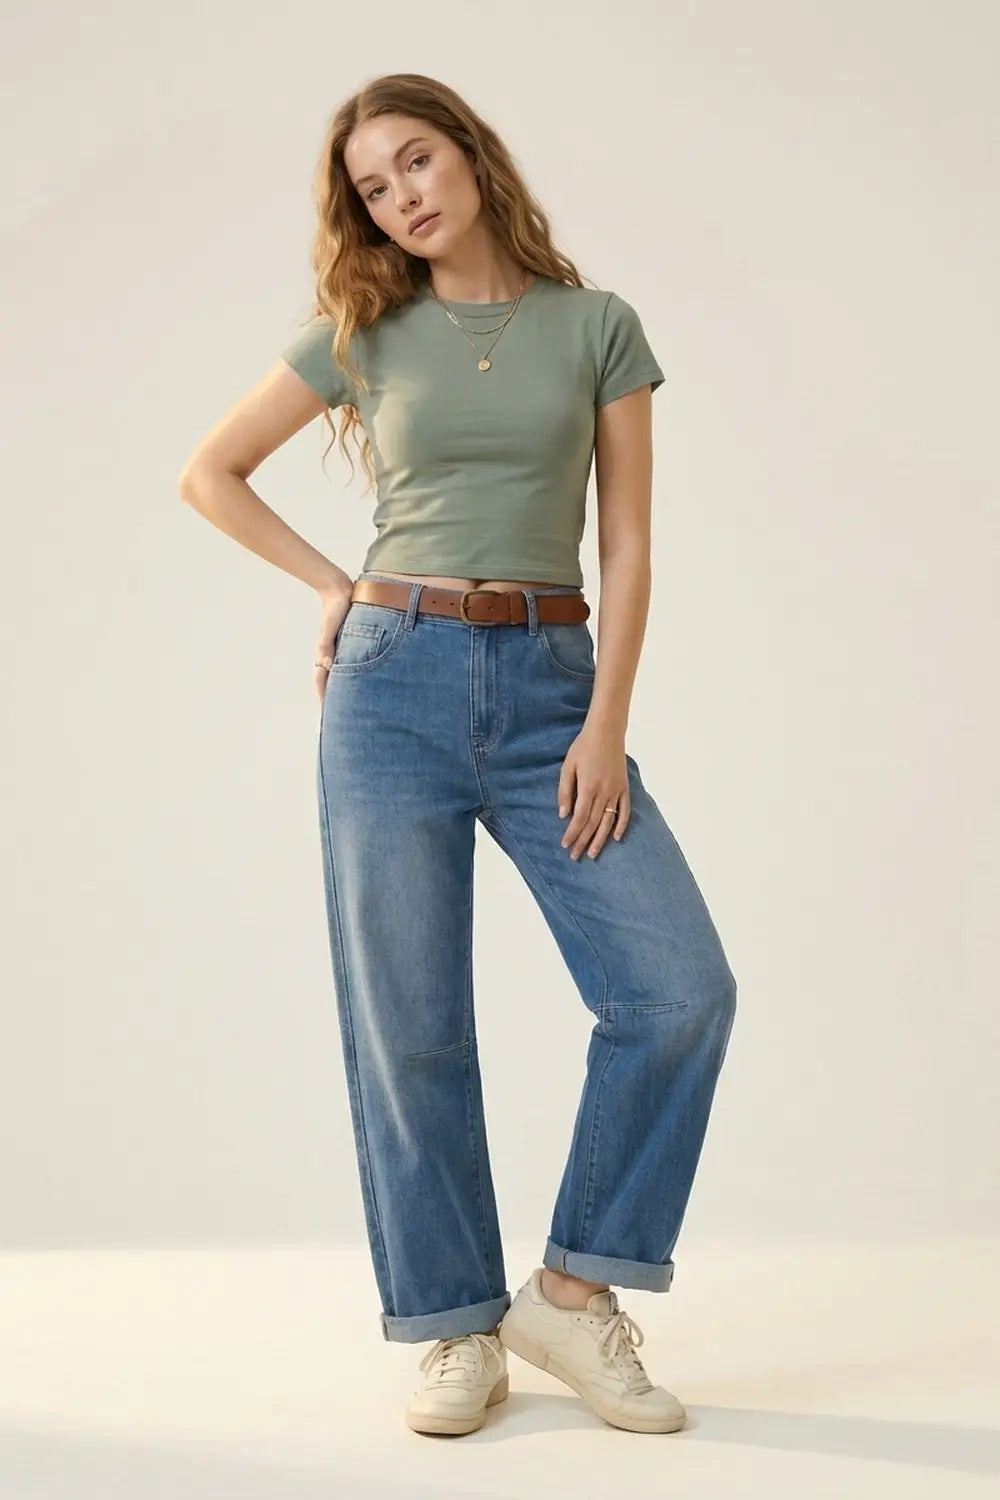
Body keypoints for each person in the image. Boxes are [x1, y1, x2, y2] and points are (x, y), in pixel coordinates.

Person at [178, 71, 737, 1440]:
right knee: (409, 1024)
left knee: (677, 990)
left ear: (472, 154)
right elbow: (211, 472)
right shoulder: (363, 334)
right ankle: (452, 1328)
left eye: (417, 161)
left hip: (552, 686)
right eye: (374, 189)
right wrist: (332, 587)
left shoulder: (596, 326)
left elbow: (629, 544)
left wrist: (606, 723)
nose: (403, 198)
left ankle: (572, 1295)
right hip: (392, 685)